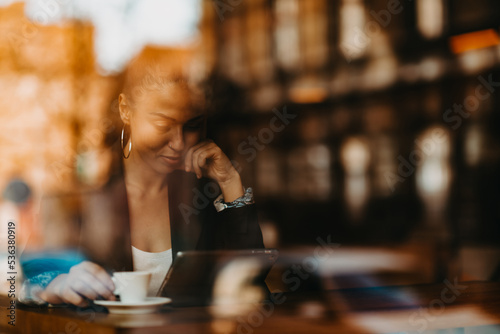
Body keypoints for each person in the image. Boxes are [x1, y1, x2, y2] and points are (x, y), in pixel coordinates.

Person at [20, 56, 264, 307]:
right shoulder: (89, 192)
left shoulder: (201, 195)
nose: (180, 143)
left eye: (191, 126)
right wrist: (54, 284)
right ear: (126, 110)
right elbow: (22, 278)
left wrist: (230, 181)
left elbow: (251, 275)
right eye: (163, 124)